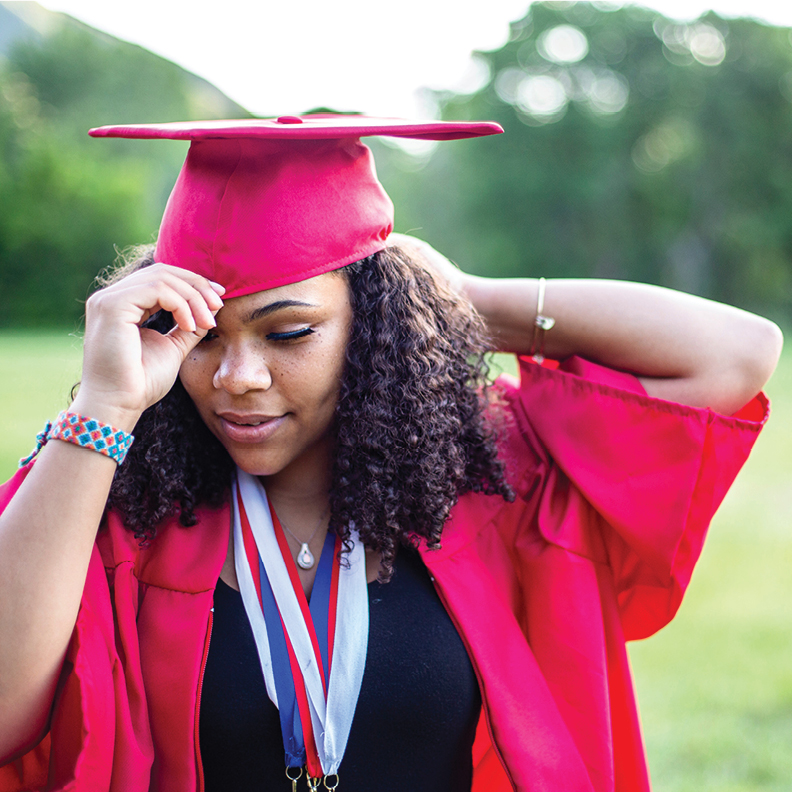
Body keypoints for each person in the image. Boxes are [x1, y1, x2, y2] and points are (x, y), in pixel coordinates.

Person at [0, 116, 783, 792]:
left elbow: (735, 355)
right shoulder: (111, 494)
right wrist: (105, 407)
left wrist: (454, 302)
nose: (238, 378)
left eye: (289, 331)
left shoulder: (490, 475)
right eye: (199, 335)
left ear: (373, 325)